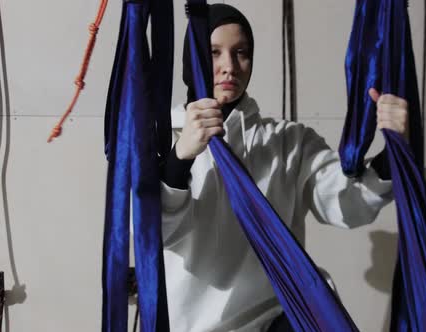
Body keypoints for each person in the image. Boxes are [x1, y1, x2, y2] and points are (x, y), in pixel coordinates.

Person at [160, 4, 409, 332]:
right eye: (214, 53)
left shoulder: (288, 142)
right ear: (192, 58)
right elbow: (151, 230)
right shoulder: (161, 137)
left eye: (241, 53)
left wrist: (393, 150)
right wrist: (180, 157)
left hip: (279, 319)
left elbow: (347, 203)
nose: (229, 67)